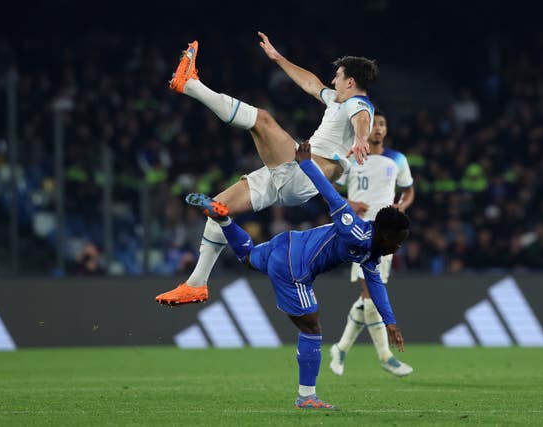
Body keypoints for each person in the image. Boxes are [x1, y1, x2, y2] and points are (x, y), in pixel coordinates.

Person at [156, 32, 379, 305]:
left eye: (338, 75)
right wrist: (278, 58)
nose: (333, 80)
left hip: (303, 172)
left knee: (262, 119)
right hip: (293, 173)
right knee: (218, 205)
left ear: (351, 81)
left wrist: (360, 139)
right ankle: (196, 284)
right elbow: (311, 83)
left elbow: (362, 118)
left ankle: (189, 85)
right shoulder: (337, 101)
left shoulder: (358, 104)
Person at [182, 142, 408, 409]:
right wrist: (306, 163)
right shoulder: (354, 230)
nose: (399, 246)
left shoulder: (372, 252)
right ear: (384, 235)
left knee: (248, 258)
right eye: (398, 240)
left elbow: (375, 284)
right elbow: (331, 196)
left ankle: (225, 221)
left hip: (285, 244)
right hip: (295, 267)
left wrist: (390, 322)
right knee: (312, 327)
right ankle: (307, 397)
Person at [329, 109, 415, 377]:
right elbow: (329, 186)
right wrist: (349, 203)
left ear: (386, 130)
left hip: (385, 237)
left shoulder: (397, 159)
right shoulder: (353, 157)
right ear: (366, 129)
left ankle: (340, 349)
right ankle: (385, 356)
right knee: (369, 295)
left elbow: (408, 190)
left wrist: (401, 207)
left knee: (366, 298)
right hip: (359, 232)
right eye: (374, 123)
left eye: (382, 123)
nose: (378, 127)